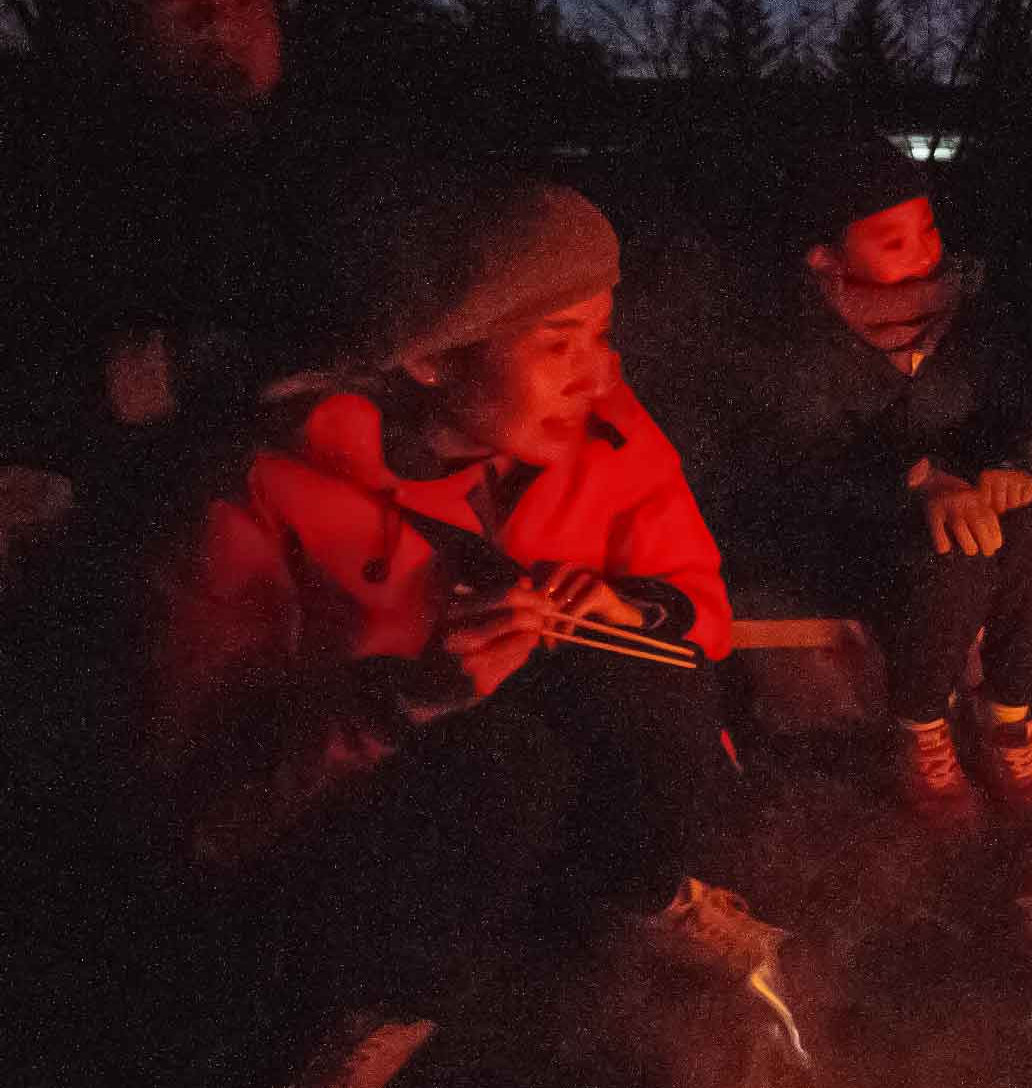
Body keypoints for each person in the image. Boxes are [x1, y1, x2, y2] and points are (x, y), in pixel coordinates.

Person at [139, 173, 797, 1080]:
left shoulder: (613, 433)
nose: (598, 374)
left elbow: (701, 609)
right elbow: (208, 798)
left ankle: (644, 895)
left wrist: (627, 609)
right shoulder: (268, 492)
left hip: (561, 814)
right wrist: (405, 697)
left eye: (603, 336)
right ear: (433, 357)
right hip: (366, 844)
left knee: (646, 663)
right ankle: (381, 1003)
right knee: (500, 752)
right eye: (556, 342)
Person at [688, 131, 1032, 826]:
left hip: (964, 506)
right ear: (827, 257)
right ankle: (922, 731)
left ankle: (1009, 720)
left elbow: (1021, 409)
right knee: (957, 562)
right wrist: (915, 481)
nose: (926, 252)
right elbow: (793, 463)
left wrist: (1013, 464)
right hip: (850, 532)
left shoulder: (973, 313)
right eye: (893, 242)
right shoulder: (793, 337)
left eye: (927, 228)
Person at [0, 0, 333, 492]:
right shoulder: (48, 187)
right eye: (172, 1)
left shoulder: (322, 174)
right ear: (97, 29)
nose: (219, 23)